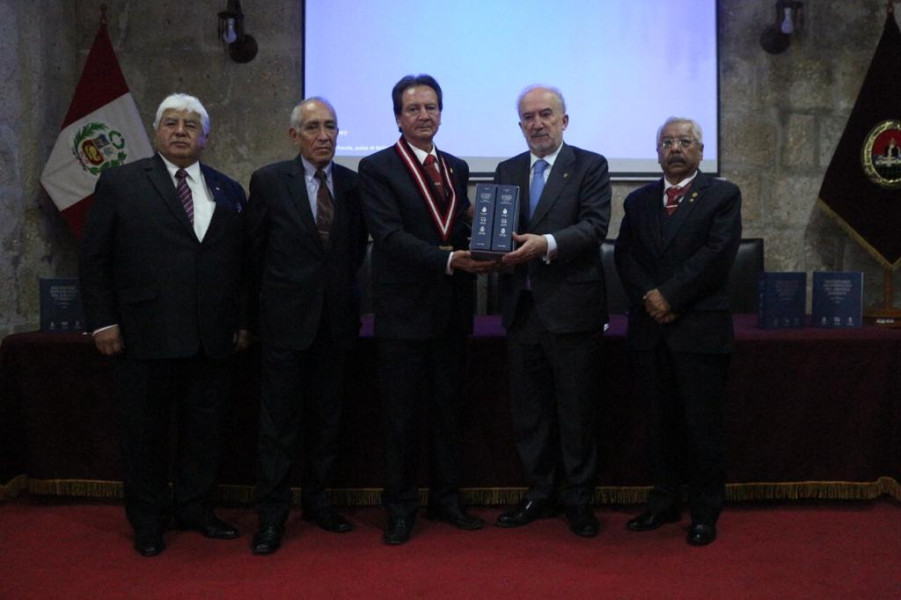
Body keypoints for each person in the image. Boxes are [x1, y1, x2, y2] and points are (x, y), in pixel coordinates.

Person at [79, 93, 249, 557]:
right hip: (143, 335)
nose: (180, 130)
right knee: (145, 435)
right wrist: (102, 323)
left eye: (191, 125)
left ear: (206, 137)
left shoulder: (229, 190)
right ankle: (148, 521)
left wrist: (240, 321)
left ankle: (195, 508)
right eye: (171, 122)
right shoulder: (121, 182)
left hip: (211, 338)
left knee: (204, 432)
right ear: (156, 132)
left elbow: (240, 266)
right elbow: (94, 259)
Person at [358, 74, 496, 545]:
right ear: (398, 117)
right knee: (401, 417)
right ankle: (399, 508)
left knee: (448, 411)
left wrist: (483, 240)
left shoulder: (456, 167)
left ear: (442, 112)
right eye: (414, 109)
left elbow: (452, 230)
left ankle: (447, 499)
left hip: (452, 312)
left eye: (431, 107)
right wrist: (452, 258)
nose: (424, 116)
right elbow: (390, 238)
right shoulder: (376, 169)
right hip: (403, 314)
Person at [246, 98, 368, 555]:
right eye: (313, 127)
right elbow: (254, 256)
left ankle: (319, 503)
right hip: (284, 325)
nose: (324, 135)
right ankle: (272, 517)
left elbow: (353, 251)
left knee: (327, 423)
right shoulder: (269, 181)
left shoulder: (353, 186)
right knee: (278, 427)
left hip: (335, 325)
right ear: (294, 135)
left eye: (331, 127)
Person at [614, 116, 741, 546]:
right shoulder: (639, 201)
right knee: (659, 424)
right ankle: (662, 503)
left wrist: (670, 296)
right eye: (667, 142)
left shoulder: (721, 195)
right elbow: (625, 258)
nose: (675, 148)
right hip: (650, 332)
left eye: (685, 141)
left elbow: (716, 255)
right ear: (657, 152)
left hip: (699, 331)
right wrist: (651, 296)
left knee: (701, 428)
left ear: (700, 151)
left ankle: (705, 513)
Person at [494, 85, 611, 538]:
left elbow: (594, 226)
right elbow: (499, 230)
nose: (537, 123)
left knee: (577, 412)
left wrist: (547, 244)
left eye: (546, 115)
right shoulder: (506, 169)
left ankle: (579, 500)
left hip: (572, 309)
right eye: (528, 117)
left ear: (565, 121)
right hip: (521, 310)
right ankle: (539, 493)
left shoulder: (590, 165)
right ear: (520, 124)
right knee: (531, 413)